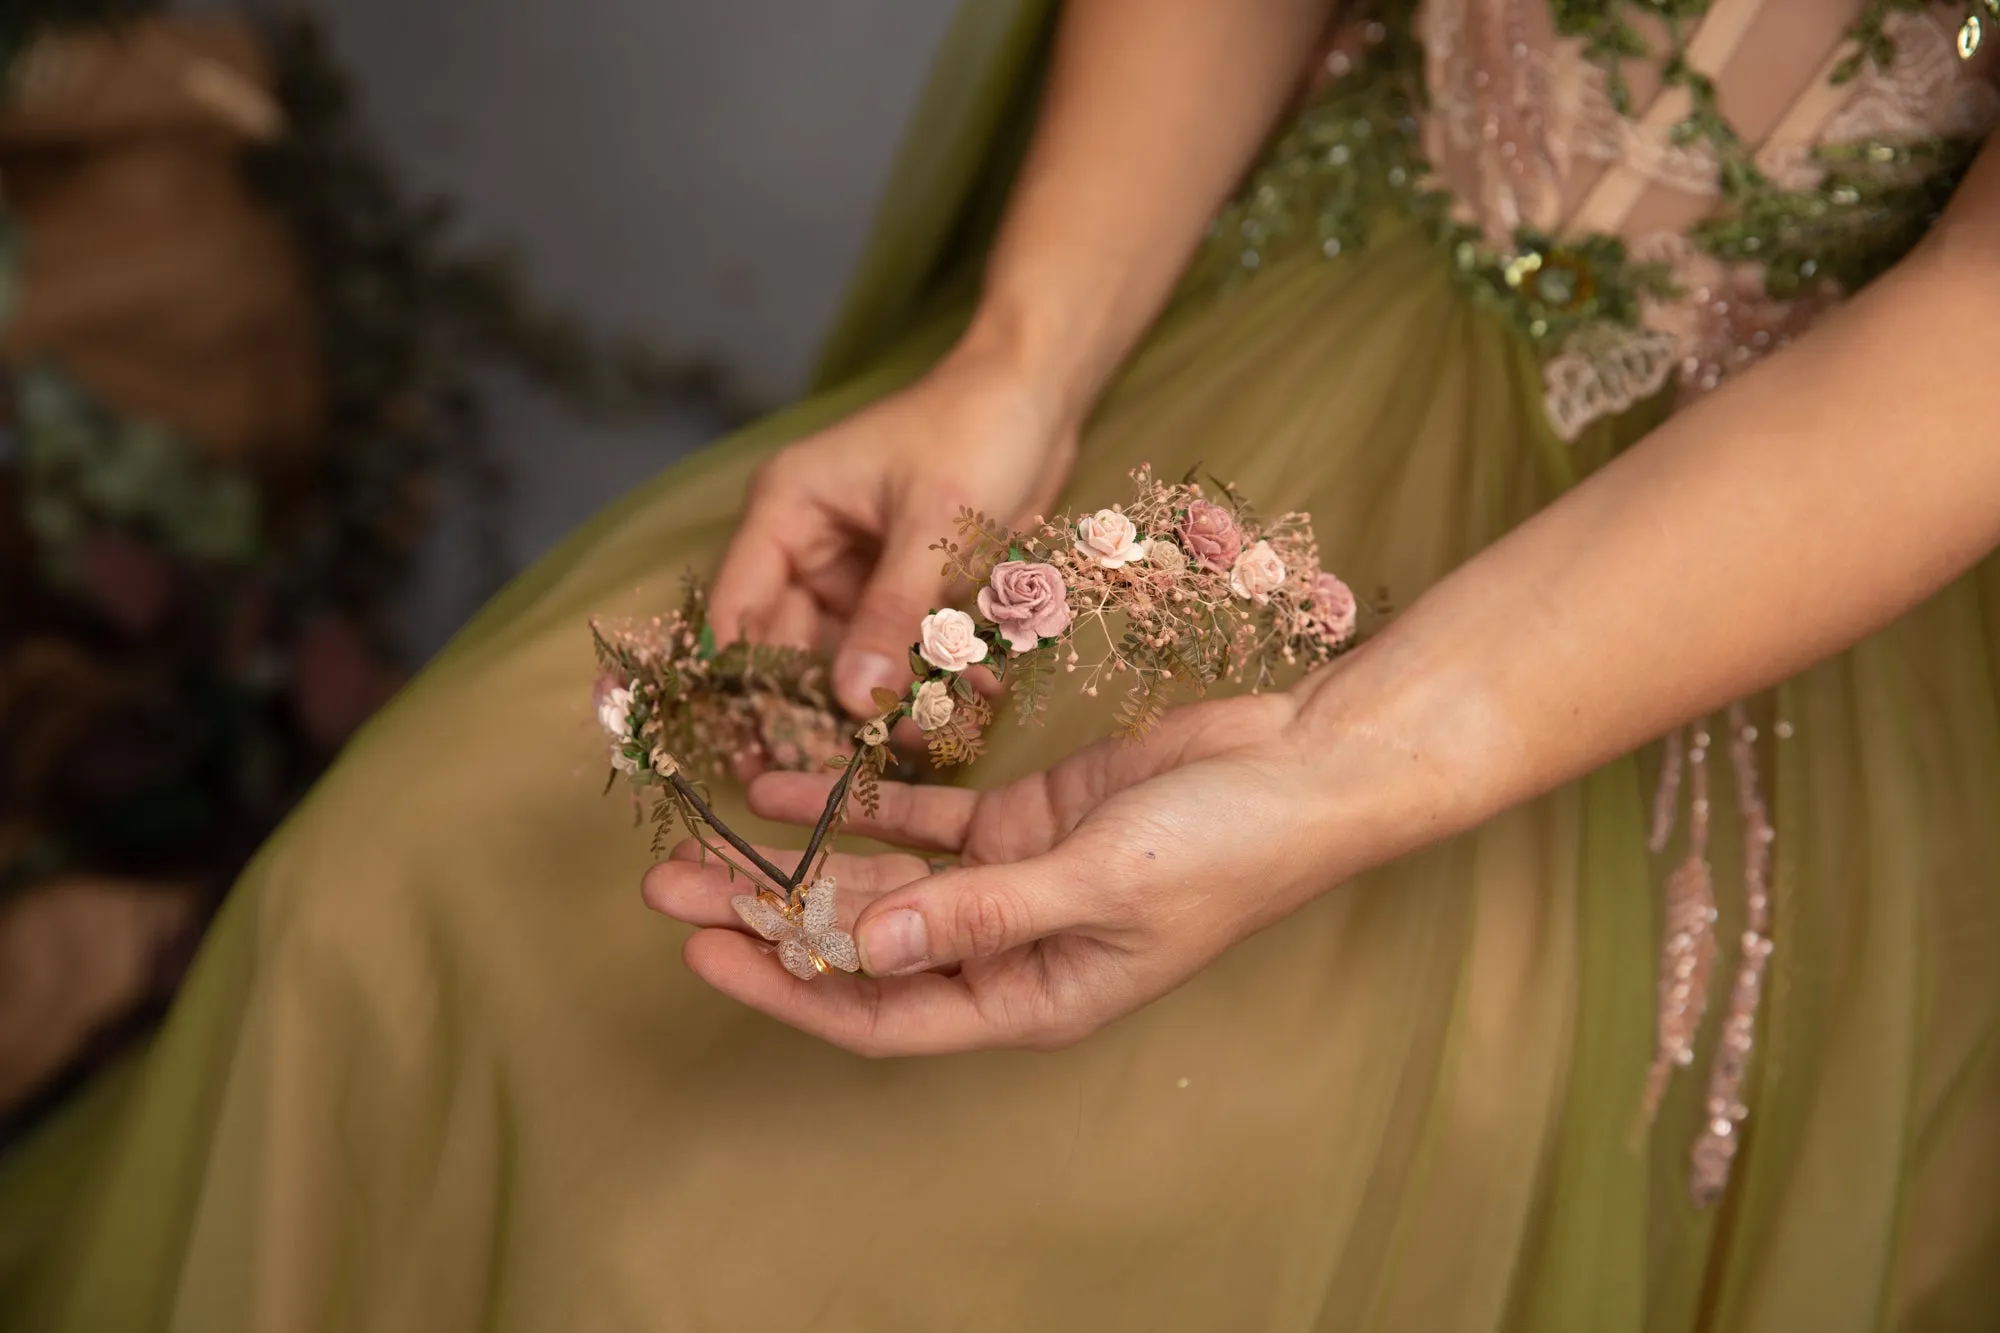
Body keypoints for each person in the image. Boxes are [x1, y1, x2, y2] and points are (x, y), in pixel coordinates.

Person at [4, 0, 1998, 1328]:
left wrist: (1348, 754)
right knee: (395, 902)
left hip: (1734, 575)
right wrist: (1018, 362)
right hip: (1270, 299)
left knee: (833, 1245)